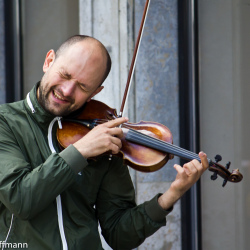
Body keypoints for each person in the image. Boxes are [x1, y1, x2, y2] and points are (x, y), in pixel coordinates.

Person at [0, 35, 208, 250]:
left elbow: (119, 234)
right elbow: (20, 199)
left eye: (82, 86)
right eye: (65, 75)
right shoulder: (4, 122)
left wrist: (171, 195)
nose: (67, 90)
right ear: (49, 61)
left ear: (95, 93)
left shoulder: (105, 137)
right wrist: (80, 151)